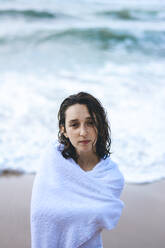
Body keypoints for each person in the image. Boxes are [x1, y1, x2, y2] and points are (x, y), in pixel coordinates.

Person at [30, 92, 124, 248]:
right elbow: (40, 214)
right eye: (74, 124)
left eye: (90, 123)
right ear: (64, 130)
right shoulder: (51, 161)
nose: (83, 132)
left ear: (99, 125)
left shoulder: (112, 177)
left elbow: (102, 214)